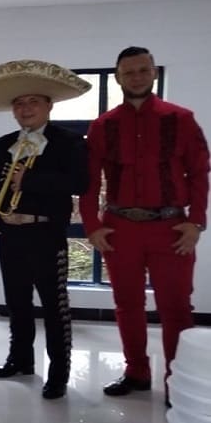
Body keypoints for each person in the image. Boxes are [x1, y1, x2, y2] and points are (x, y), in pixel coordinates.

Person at [79, 47, 209, 399]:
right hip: (120, 229)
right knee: (127, 304)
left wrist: (195, 222)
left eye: (142, 70)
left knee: (177, 307)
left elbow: (199, 173)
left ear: (153, 73)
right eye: (128, 71)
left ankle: (176, 381)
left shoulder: (181, 119)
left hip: (171, 229)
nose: (136, 76)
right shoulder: (103, 125)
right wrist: (92, 225)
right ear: (118, 77)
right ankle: (136, 372)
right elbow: (88, 181)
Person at [0, 60, 91, 398]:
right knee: (17, 303)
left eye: (33, 102)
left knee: (55, 306)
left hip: (46, 233)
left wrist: (31, 179)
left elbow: (80, 182)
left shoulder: (69, 141)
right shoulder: (4, 143)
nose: (25, 109)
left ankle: (58, 373)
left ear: (48, 105)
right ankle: (20, 359)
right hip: (11, 233)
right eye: (19, 104)